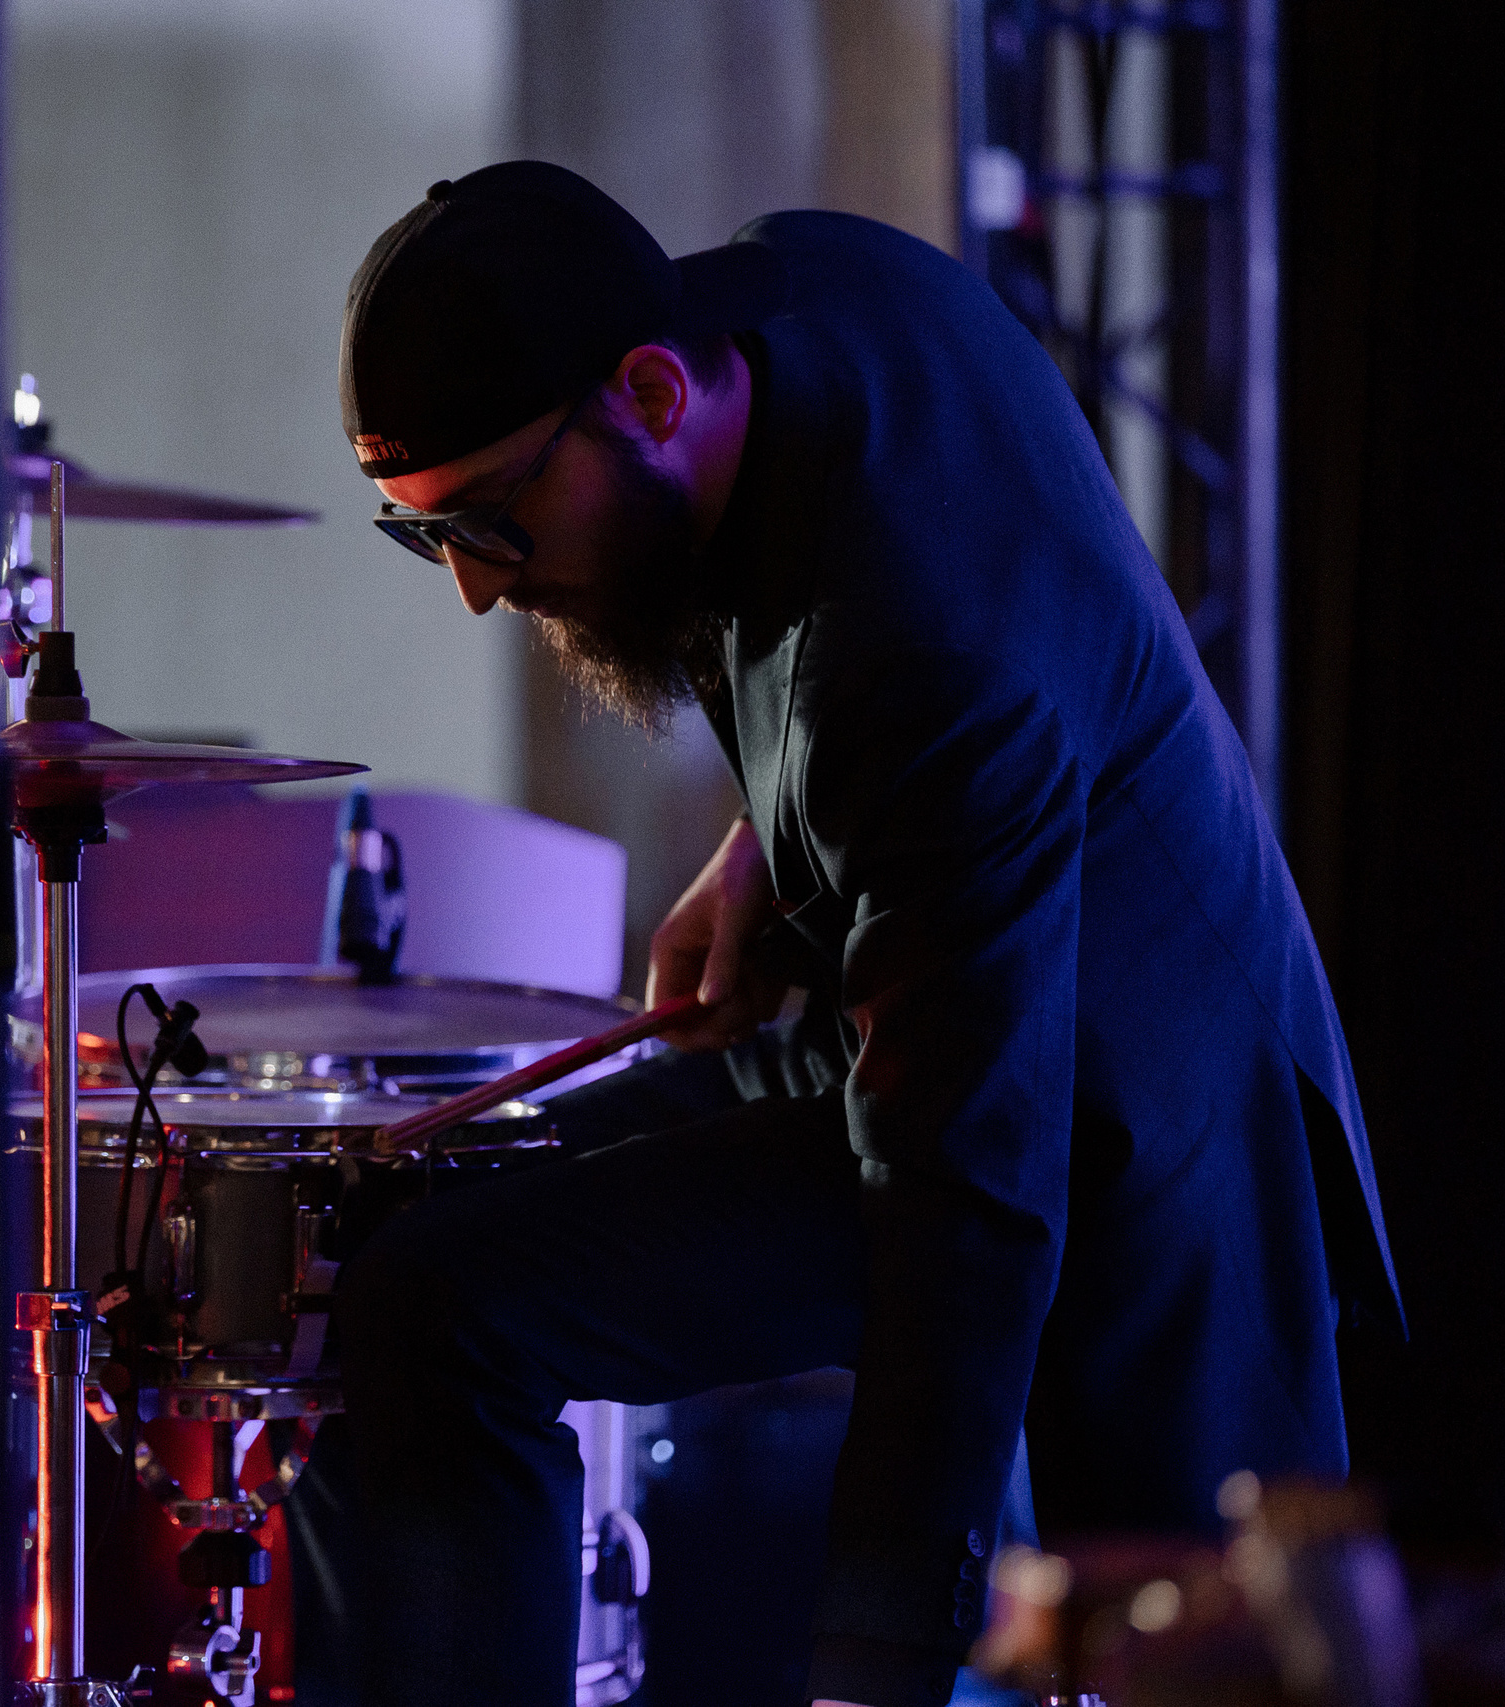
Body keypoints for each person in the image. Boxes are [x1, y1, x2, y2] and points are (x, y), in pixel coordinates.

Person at [322, 162, 1400, 1707]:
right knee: (412, 1226)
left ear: (646, 388)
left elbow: (964, 1191)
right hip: (925, 996)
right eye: (426, 536)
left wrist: (874, 1657)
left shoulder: (930, 661)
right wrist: (756, 856)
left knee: (447, 1309)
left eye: (491, 519)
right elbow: (870, 670)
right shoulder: (806, 284)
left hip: (1120, 1117)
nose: (481, 592)